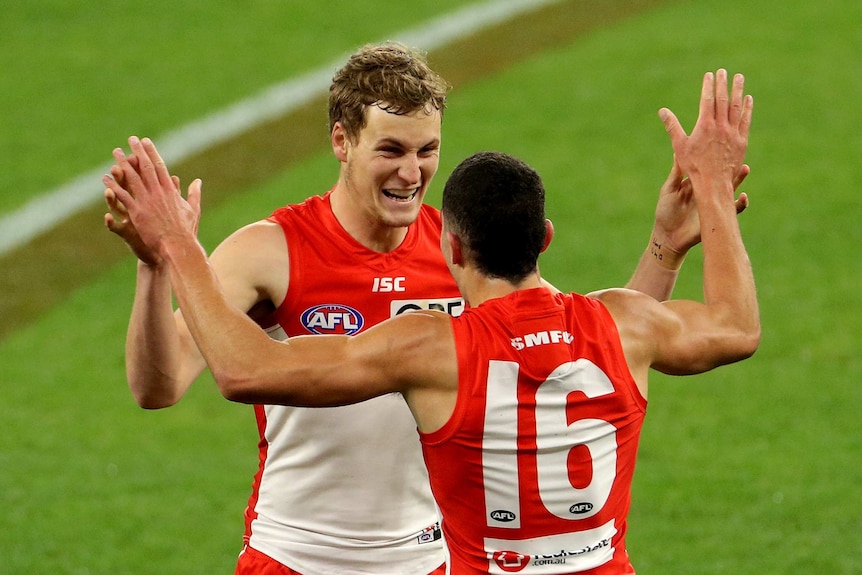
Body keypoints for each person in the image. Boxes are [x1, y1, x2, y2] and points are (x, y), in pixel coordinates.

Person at [104, 40, 747, 574]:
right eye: (391, 150)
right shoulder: (270, 251)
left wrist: (664, 247)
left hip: (431, 558)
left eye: (426, 150)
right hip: (299, 555)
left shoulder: (461, 248)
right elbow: (158, 387)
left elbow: (570, 353)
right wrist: (156, 265)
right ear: (341, 141)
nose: (412, 172)